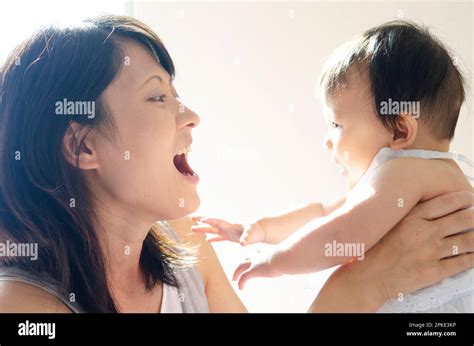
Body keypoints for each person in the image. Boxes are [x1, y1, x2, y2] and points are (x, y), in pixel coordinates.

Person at [0, 16, 472, 313]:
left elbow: (331, 229)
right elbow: (326, 215)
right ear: (83, 146)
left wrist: (274, 262)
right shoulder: (23, 309)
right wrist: (362, 285)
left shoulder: (183, 249)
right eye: (158, 95)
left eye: (176, 93)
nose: (191, 115)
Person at [193, 21, 474, 312]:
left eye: (337, 124)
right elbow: (324, 214)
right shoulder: (415, 177)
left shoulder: (406, 171)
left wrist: (274, 261)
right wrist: (261, 229)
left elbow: (338, 236)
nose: (327, 140)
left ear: (400, 130)